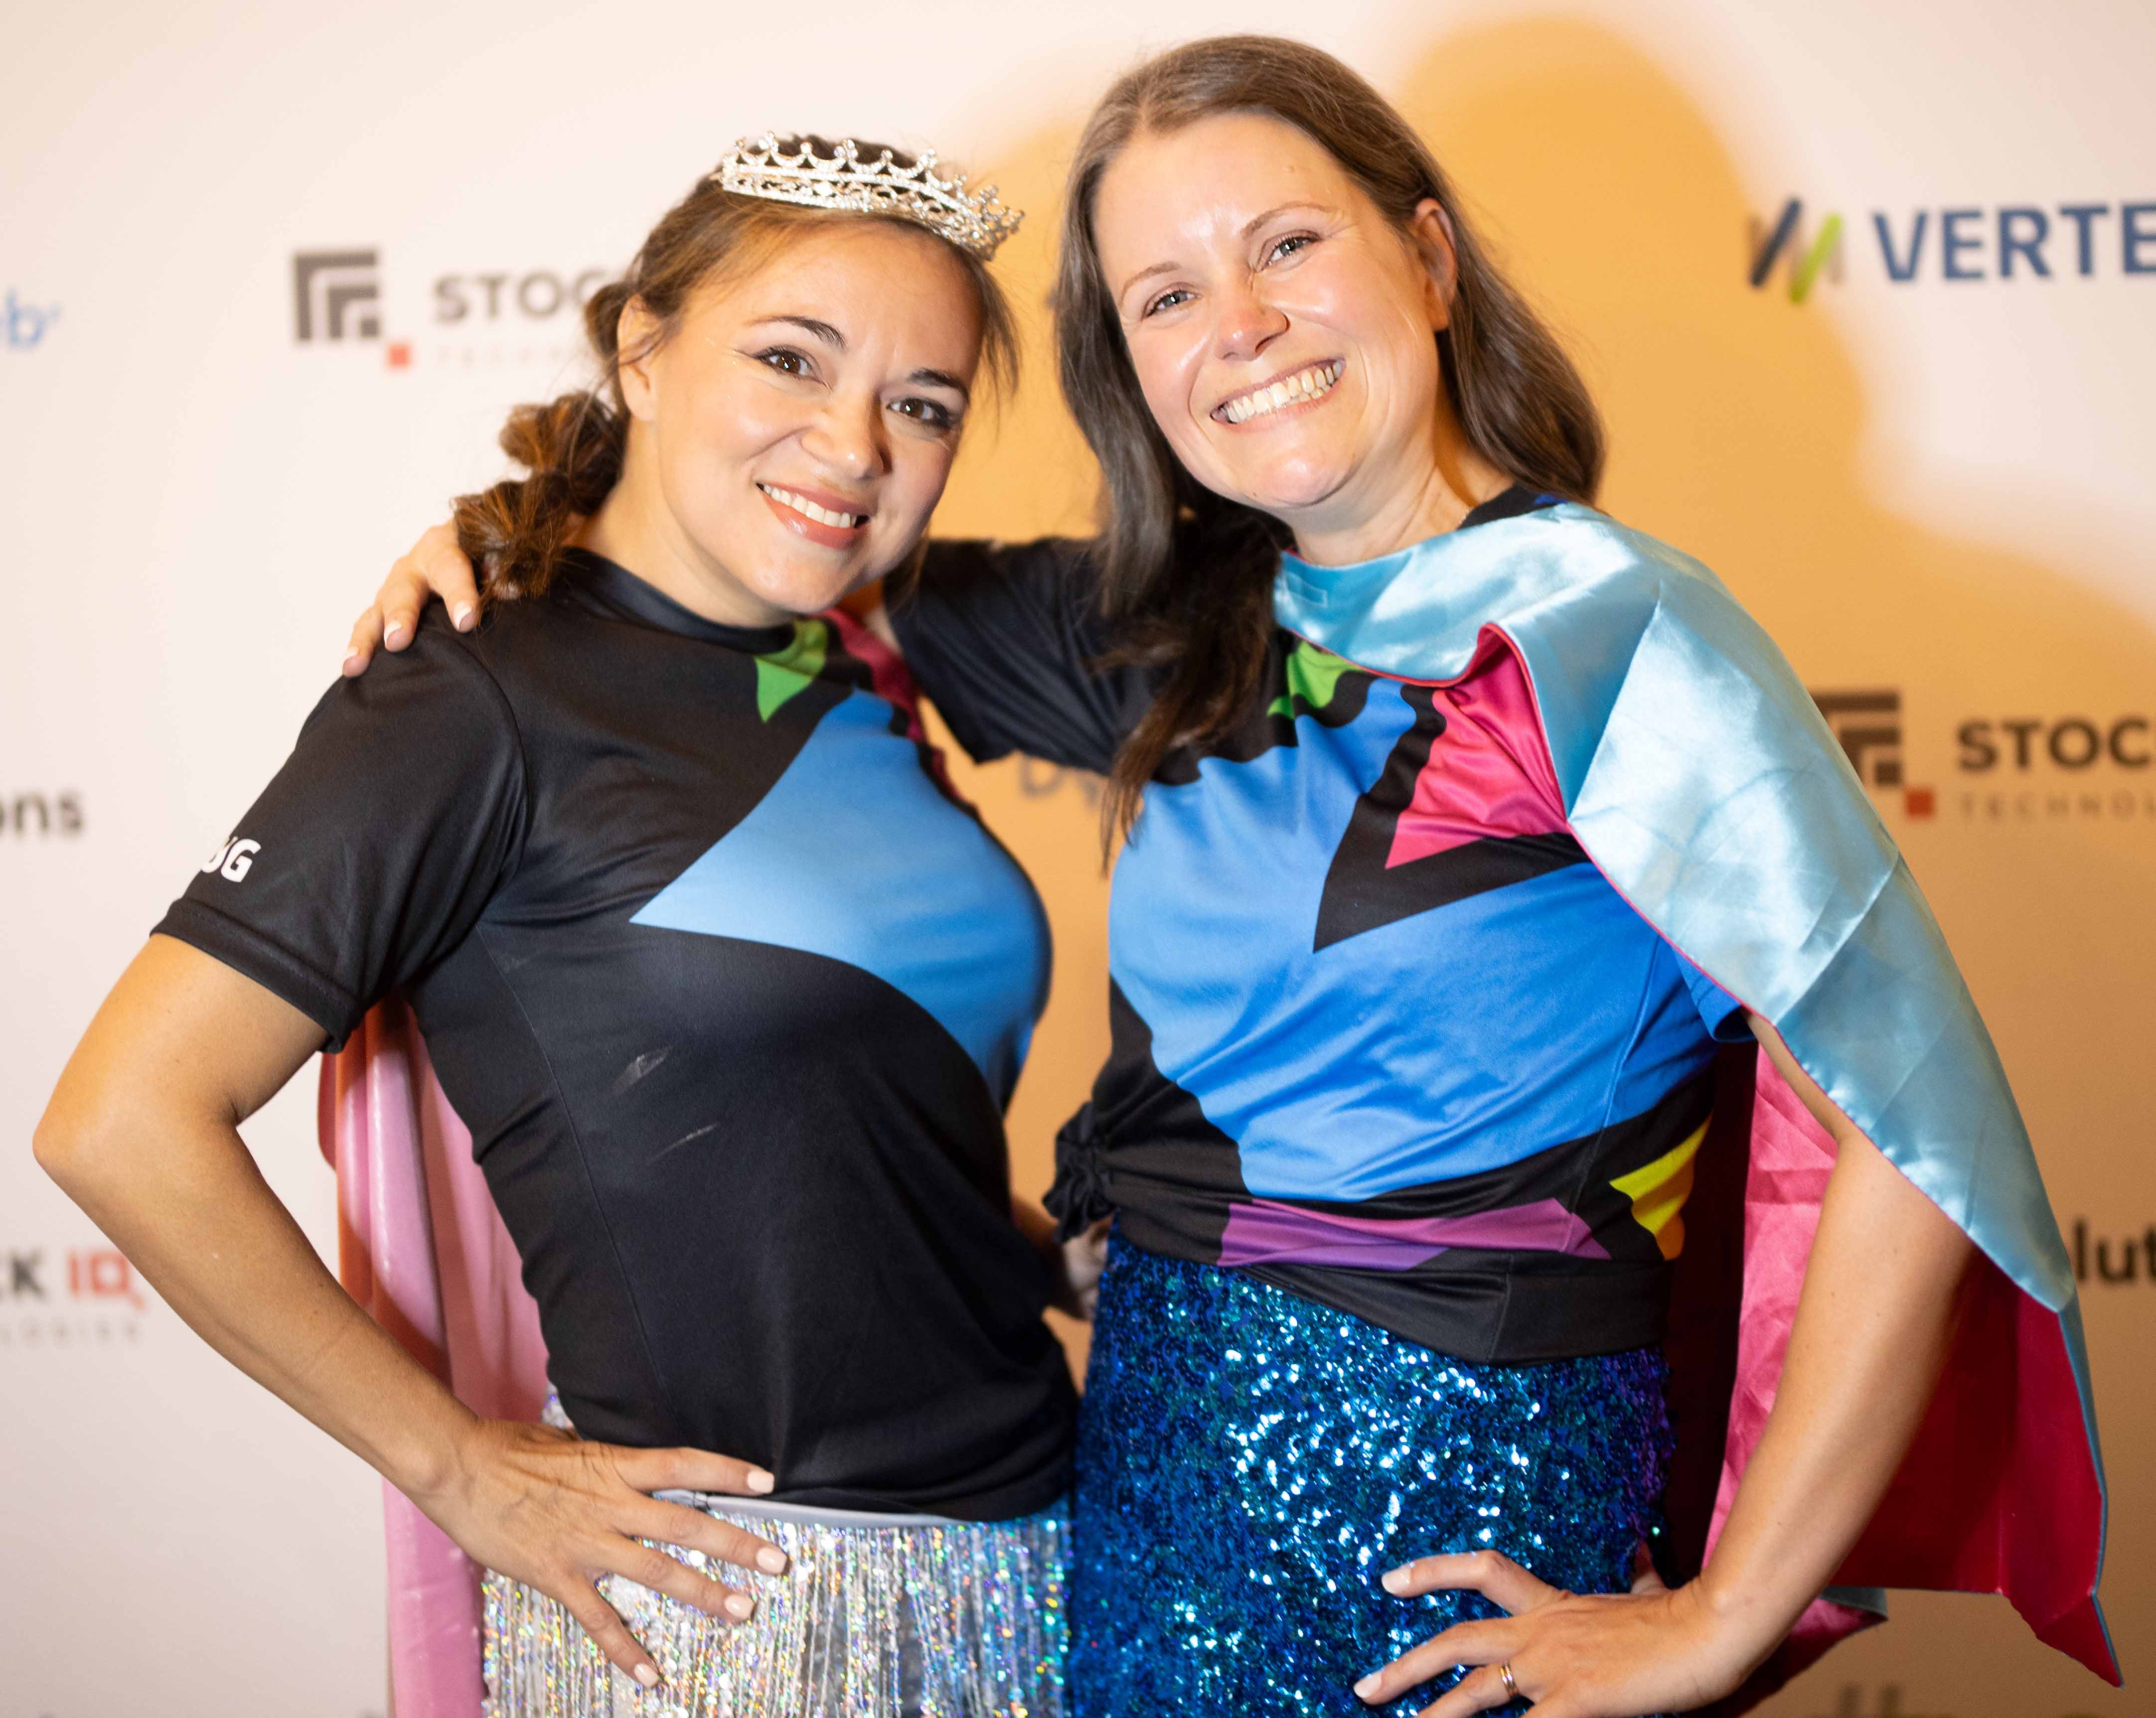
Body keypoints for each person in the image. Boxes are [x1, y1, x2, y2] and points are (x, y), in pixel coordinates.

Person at [345, 37, 2114, 1718]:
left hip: (1454, 1530)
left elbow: (1909, 1120)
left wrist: (1726, 1616)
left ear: (1430, 260)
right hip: (1136, 1499)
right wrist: (526, 542)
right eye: (1166, 295)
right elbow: (777, 532)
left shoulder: (1605, 635)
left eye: (1286, 245)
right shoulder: (1176, 625)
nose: (1240, 324)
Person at [36, 134, 1085, 1717]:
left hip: (1046, 1568)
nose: (855, 442)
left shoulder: (866, 662)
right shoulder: (471, 692)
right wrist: (457, 1468)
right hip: (729, 1617)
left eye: (922, 403)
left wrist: (1067, 1250)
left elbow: (815, 1127)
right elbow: (119, 1122)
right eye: (791, 359)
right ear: (641, 350)